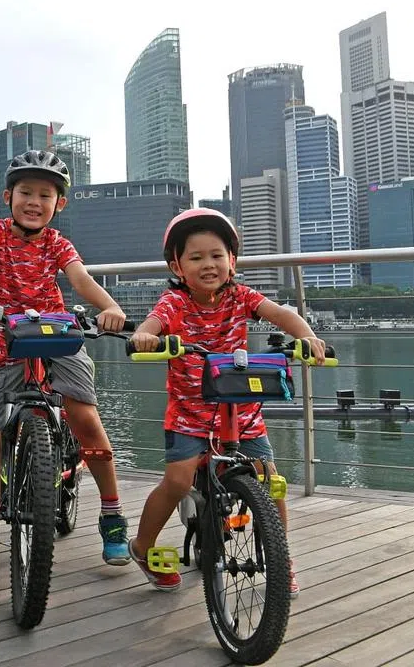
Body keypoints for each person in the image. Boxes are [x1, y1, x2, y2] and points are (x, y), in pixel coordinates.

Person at [0, 150, 133, 566]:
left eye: (45, 195)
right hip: (9, 340)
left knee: (85, 418)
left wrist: (111, 307)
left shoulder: (57, 243)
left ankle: (112, 514)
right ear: (8, 196)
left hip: (59, 339)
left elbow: (80, 279)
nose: (34, 201)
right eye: (25, 192)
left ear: (58, 204)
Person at [128, 207, 326, 596]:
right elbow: (153, 322)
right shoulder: (175, 302)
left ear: (232, 261)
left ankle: (279, 556)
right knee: (177, 480)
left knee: (269, 480)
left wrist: (307, 336)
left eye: (217, 256)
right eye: (196, 257)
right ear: (177, 265)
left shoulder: (242, 296)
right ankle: (142, 546)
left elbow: (279, 314)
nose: (208, 264)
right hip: (190, 414)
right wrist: (146, 337)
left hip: (241, 410)